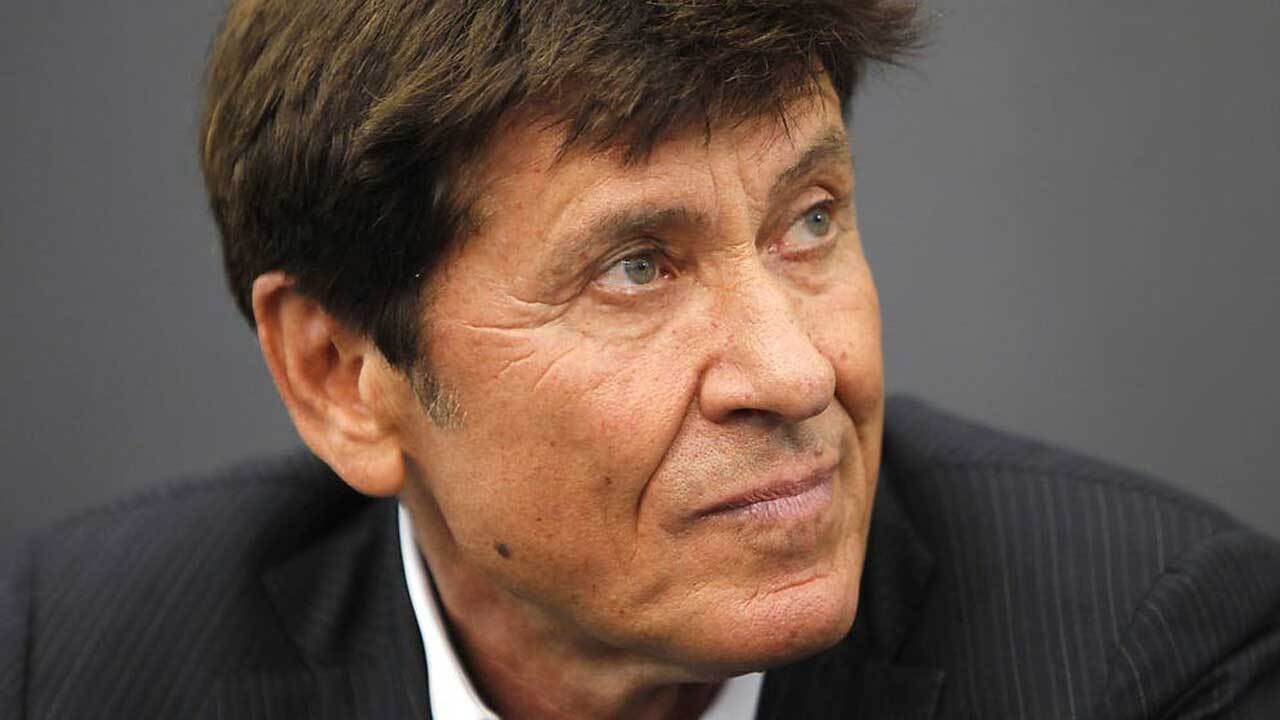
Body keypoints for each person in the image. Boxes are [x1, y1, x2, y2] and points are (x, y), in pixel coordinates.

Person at [2, 0, 1278, 717]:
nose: (795, 374)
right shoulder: (73, 662)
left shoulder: (1140, 657)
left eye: (809, 221)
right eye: (634, 268)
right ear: (342, 377)